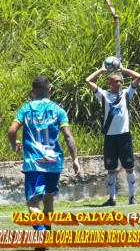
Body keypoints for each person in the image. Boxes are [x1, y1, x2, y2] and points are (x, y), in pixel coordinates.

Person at [8, 75, 80, 251]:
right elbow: (68, 136)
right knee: (48, 199)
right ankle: (47, 234)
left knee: (33, 204)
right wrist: (75, 159)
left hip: (34, 163)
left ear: (32, 92)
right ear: (50, 90)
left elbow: (12, 131)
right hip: (54, 161)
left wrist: (13, 144)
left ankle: (41, 236)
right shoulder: (58, 110)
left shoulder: (26, 108)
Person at [85, 61, 140, 206]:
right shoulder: (104, 95)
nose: (119, 83)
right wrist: (101, 71)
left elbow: (138, 77)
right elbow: (88, 81)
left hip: (124, 136)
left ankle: (132, 197)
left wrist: (123, 69)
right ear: (109, 83)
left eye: (120, 81)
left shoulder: (126, 94)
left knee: (129, 168)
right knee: (111, 169)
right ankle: (112, 199)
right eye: (116, 81)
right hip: (110, 138)